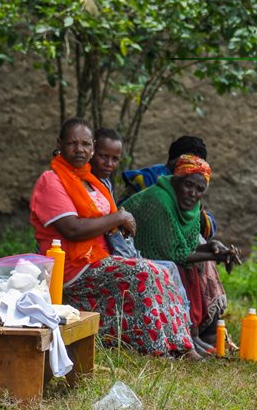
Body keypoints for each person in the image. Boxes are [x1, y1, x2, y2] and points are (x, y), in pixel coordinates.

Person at [29, 118, 199, 359]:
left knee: (161, 270)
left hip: (99, 261)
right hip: (72, 269)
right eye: (72, 143)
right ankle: (159, 348)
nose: (80, 149)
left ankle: (183, 344)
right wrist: (118, 218)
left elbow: (110, 224)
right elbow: (72, 229)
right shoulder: (51, 181)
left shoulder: (91, 181)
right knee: (143, 272)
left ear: (93, 146)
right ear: (60, 144)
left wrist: (119, 222)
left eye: (86, 144)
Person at [122, 155, 241, 351]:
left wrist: (215, 247)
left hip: (165, 255)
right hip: (132, 255)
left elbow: (189, 245)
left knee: (198, 264)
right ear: (176, 179)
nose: (192, 193)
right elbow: (174, 254)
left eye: (199, 189)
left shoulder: (193, 207)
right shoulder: (159, 200)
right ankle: (188, 335)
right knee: (178, 267)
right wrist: (213, 255)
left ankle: (200, 333)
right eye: (188, 185)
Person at [90, 128, 123, 198]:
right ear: (91, 151)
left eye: (115, 159)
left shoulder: (105, 183)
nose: (109, 164)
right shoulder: (77, 182)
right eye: (103, 156)